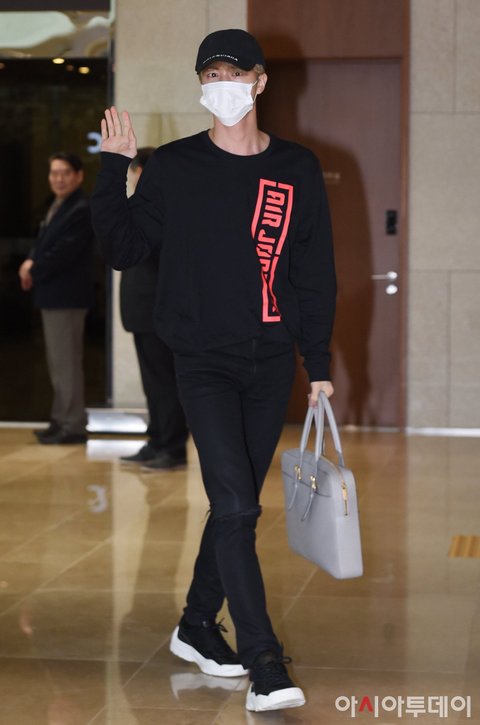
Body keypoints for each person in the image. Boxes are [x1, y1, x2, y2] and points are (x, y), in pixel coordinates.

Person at [91, 28, 336, 712]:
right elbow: (123, 249)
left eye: (234, 74)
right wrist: (114, 169)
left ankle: (198, 623)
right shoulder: (175, 166)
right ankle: (263, 659)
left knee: (237, 506)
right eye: (211, 76)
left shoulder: (297, 168)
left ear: (260, 82)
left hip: (271, 363)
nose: (223, 87)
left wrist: (317, 361)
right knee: (234, 504)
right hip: (202, 360)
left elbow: (314, 273)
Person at [119, 148, 189, 469]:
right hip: (142, 310)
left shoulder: (164, 208)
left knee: (164, 382)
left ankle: (172, 447)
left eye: (134, 173)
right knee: (153, 383)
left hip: (157, 309)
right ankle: (157, 440)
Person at [18, 152, 95, 445]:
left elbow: (63, 252)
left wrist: (33, 268)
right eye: (54, 173)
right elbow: (43, 244)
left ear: (79, 176)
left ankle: (72, 425)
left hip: (67, 297)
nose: (58, 179)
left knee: (67, 363)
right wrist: (31, 261)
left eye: (65, 173)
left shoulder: (81, 207)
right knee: (58, 362)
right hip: (54, 295)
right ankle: (60, 418)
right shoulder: (57, 205)